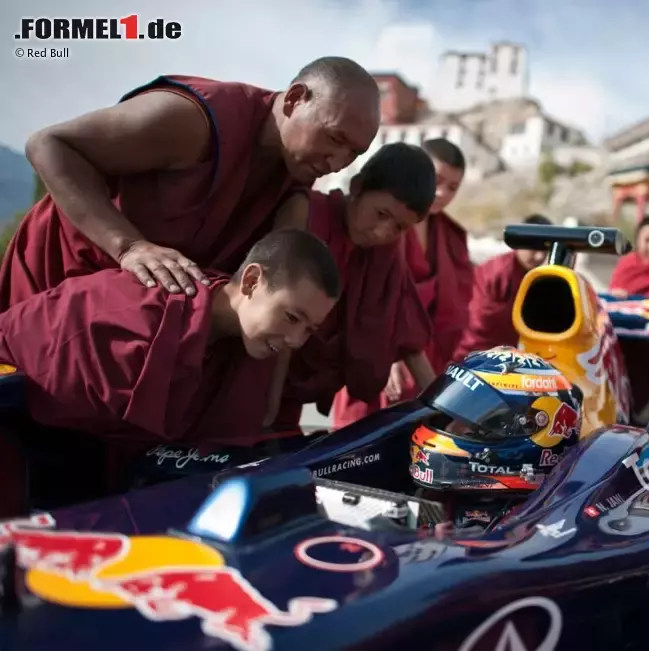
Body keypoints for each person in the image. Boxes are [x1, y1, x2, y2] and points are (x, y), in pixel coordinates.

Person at [0, 228, 340, 517]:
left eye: (309, 330)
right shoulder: (135, 317)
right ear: (251, 282)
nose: (295, 341)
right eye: (292, 318)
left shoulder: (242, 348)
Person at [0, 57, 379, 310]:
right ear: (296, 99)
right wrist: (129, 246)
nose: (336, 163)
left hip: (131, 319)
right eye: (334, 138)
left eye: (353, 155)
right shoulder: (194, 121)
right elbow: (50, 144)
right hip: (53, 289)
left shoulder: (292, 177)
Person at [269, 143, 438, 430]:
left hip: (290, 402)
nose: (384, 232)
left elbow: (409, 335)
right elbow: (275, 315)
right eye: (381, 214)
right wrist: (267, 409)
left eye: (399, 227)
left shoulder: (387, 253)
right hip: (257, 375)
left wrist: (443, 412)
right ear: (358, 186)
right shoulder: (307, 213)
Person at [329, 139, 474, 428]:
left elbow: (457, 308)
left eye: (453, 187)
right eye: (437, 181)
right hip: (377, 356)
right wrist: (391, 355)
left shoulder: (451, 235)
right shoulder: (377, 227)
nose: (442, 193)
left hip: (428, 359)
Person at [408, 347, 583, 530]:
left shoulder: (537, 523)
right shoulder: (437, 500)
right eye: (452, 417)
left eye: (475, 425)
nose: (450, 428)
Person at [453, 214, 553, 359]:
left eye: (544, 251)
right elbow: (479, 319)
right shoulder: (497, 272)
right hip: (475, 353)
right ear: (519, 243)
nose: (539, 257)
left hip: (510, 354)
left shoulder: (537, 277)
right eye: (534, 249)